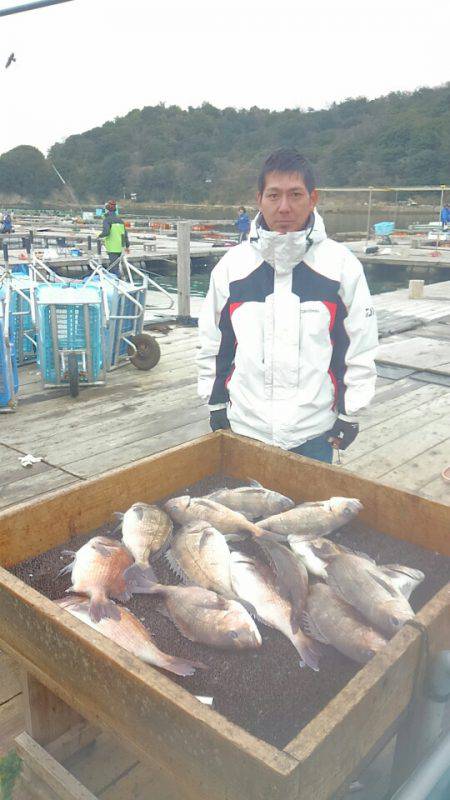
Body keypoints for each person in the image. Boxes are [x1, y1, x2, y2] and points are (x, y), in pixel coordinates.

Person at [197, 148, 378, 464]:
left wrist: (350, 411)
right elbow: (213, 343)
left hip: (313, 432)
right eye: (273, 195)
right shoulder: (231, 267)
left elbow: (359, 345)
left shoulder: (342, 266)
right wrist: (215, 404)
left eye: (295, 194)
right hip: (244, 428)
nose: (284, 207)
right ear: (259, 199)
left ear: (313, 198)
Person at [98, 200, 130, 274]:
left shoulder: (107, 220)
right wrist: (127, 246)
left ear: (106, 210)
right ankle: (118, 276)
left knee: (113, 267)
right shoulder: (120, 221)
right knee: (116, 265)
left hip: (112, 247)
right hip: (121, 247)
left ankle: (115, 278)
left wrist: (99, 236)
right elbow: (125, 234)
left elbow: (106, 232)